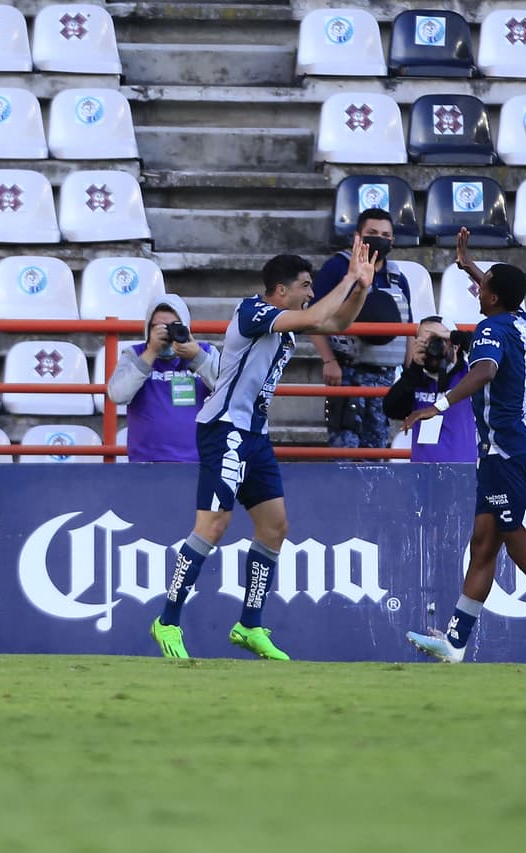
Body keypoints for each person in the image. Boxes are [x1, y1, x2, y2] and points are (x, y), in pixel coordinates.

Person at [149, 238, 375, 660]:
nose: (310, 291)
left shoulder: (284, 316)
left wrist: (360, 288)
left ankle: (249, 625)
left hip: (253, 433)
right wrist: (346, 277)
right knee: (212, 526)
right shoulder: (254, 311)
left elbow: (338, 323)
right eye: (305, 284)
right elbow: (319, 312)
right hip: (224, 430)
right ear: (281, 290)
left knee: (274, 528)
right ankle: (167, 620)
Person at [404, 227, 526, 664]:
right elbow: (503, 292)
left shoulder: (491, 328)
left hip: (508, 451)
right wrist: (469, 264)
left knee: (522, 547)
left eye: (483, 285)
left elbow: (485, 371)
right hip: (512, 448)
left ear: (492, 296)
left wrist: (438, 405)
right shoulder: (524, 322)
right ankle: (456, 644)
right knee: (483, 542)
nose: (478, 290)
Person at [311, 208, 413, 450]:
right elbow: (312, 318)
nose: (380, 238)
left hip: (385, 378)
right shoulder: (337, 268)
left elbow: (408, 326)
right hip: (347, 375)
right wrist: (328, 361)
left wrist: (410, 375)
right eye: (373, 233)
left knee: (376, 450)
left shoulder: (398, 278)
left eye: (386, 234)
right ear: (358, 236)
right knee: (344, 450)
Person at [106, 294, 220, 463]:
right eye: (157, 327)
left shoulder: (205, 352)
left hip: (198, 462)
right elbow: (117, 395)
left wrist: (198, 358)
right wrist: (151, 352)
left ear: (185, 327)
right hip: (147, 463)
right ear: (148, 329)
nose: (166, 333)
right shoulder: (134, 355)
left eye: (172, 326)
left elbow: (229, 391)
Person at [381, 315, 478, 463]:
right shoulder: (415, 379)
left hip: (463, 473)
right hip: (423, 474)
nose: (432, 346)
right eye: (424, 342)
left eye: (438, 340)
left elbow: (488, 350)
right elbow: (391, 409)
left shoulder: (471, 374)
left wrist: (456, 337)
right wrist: (414, 369)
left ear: (455, 345)